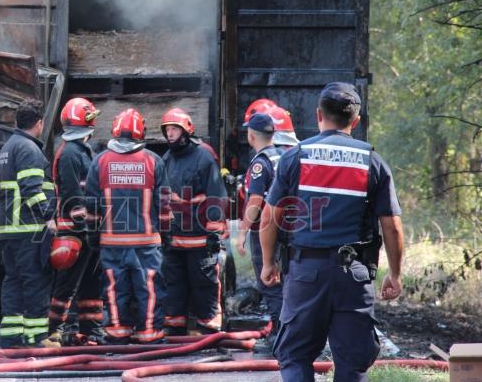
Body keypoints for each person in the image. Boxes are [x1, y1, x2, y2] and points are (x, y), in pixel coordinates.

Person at [260, 83, 404, 382]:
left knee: (295, 355)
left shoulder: (295, 156)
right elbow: (391, 225)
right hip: (354, 274)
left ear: (318, 115)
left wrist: (268, 262)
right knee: (353, 361)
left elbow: (270, 217)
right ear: (356, 121)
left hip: (305, 274)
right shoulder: (371, 161)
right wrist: (395, 273)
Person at [85, 108, 169, 344]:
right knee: (149, 289)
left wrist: (92, 235)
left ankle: (117, 334)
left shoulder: (100, 161)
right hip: (147, 243)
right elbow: (164, 205)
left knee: (114, 289)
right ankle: (149, 334)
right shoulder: (154, 161)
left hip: (111, 244)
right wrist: (167, 234)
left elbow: (91, 205)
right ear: (141, 132)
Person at [159, 108, 228, 335]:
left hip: (199, 236)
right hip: (174, 238)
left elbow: (216, 195)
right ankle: (175, 326)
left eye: (174, 129)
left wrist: (214, 233)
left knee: (203, 283)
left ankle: (208, 326)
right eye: (167, 130)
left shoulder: (204, 157)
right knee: (174, 283)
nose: (170, 134)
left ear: (186, 130)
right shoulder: (167, 159)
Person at [0, 99, 59, 348]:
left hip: (9, 231)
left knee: (13, 281)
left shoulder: (8, 147)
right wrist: (49, 218)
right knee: (35, 282)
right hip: (29, 230)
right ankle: (36, 337)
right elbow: (32, 189)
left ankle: (11, 337)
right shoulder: (29, 149)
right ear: (40, 123)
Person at [47, 98, 107, 345]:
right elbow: (73, 196)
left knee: (91, 285)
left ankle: (90, 330)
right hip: (76, 232)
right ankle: (54, 331)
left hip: (88, 231)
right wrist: (85, 228)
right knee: (67, 285)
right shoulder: (71, 153)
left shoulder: (82, 150)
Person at [235, 112, 283, 334]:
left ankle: (279, 336)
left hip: (265, 231)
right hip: (286, 230)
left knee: (269, 282)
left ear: (251, 135)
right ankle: (289, 333)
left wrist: (243, 231)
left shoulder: (260, 164)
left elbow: (255, 201)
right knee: (284, 282)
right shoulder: (282, 156)